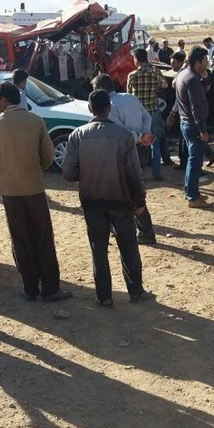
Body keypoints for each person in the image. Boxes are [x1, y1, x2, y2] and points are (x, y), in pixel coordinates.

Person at [62, 89, 153, 307]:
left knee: (98, 249)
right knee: (128, 245)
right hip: (120, 201)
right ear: (109, 108)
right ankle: (136, 291)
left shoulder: (77, 136)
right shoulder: (124, 136)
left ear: (89, 109)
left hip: (91, 201)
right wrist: (139, 202)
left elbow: (68, 173)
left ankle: (104, 296)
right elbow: (134, 174)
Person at [0, 81, 72, 302]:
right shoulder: (36, 120)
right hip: (35, 187)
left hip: (10, 191)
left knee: (20, 239)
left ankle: (30, 288)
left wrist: (6, 170)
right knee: (43, 237)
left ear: (3, 100)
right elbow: (48, 157)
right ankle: (50, 288)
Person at [93, 74, 158, 245]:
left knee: (125, 193)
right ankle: (137, 230)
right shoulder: (130, 98)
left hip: (123, 152)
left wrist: (140, 137)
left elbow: (122, 133)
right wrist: (145, 134)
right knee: (134, 190)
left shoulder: (109, 107)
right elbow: (147, 116)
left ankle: (143, 231)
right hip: (141, 149)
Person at [174, 46, 213, 207]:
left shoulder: (184, 74)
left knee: (193, 160)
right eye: (205, 60)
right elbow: (196, 107)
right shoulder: (192, 79)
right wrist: (202, 130)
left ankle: (190, 191)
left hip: (185, 122)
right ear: (198, 62)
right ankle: (192, 197)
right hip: (193, 125)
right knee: (195, 162)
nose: (208, 62)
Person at [127, 48, 167, 181]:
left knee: (139, 142)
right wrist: (159, 74)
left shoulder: (132, 75)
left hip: (138, 114)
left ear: (136, 60)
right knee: (154, 141)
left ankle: (140, 173)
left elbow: (129, 95)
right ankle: (157, 172)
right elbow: (165, 86)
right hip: (153, 112)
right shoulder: (154, 75)